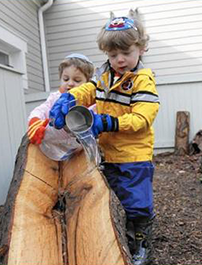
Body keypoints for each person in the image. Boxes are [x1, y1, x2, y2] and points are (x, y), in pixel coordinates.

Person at [48, 9, 160, 265]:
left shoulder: (143, 80)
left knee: (136, 199)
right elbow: (90, 89)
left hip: (134, 155)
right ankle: (118, 231)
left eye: (126, 53)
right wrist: (70, 97)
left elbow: (142, 118)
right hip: (108, 151)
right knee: (113, 194)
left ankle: (141, 237)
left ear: (141, 49)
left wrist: (107, 121)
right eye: (112, 55)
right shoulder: (106, 74)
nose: (119, 60)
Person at [27, 53, 95, 147]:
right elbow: (40, 110)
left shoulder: (90, 102)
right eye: (66, 79)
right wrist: (35, 122)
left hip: (80, 148)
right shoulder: (55, 97)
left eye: (77, 80)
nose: (70, 83)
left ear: (88, 83)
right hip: (54, 146)